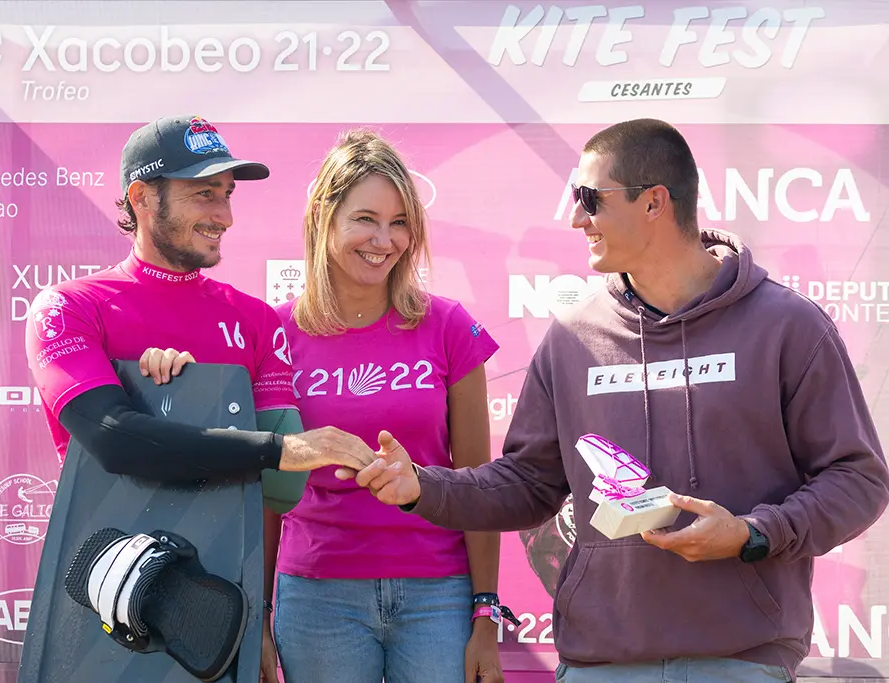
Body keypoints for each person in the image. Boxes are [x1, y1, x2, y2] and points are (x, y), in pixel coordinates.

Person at [344, 118, 889, 682]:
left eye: (589, 199)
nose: (577, 218)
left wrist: (752, 534)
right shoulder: (574, 335)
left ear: (654, 202)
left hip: (740, 660)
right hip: (600, 662)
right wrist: (422, 487)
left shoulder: (787, 326)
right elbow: (529, 484)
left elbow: (857, 479)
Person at [24, 114, 378, 679]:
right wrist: (165, 398)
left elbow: (283, 488)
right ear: (141, 197)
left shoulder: (256, 321)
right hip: (105, 593)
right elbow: (114, 443)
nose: (224, 215)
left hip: (218, 606)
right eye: (203, 194)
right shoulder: (69, 307)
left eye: (227, 195)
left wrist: (195, 399)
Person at [266, 129, 505, 683]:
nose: (384, 239)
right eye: (366, 218)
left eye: (400, 223)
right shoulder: (275, 333)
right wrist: (259, 617)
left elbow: (479, 484)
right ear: (325, 216)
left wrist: (485, 613)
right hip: (318, 596)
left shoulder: (448, 326)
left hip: (438, 595)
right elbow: (266, 492)